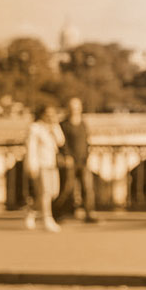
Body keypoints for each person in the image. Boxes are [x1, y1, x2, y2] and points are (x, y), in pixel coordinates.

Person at [24, 103, 65, 233]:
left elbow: (61, 141)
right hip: (41, 164)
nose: (50, 117)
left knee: (53, 192)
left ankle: (33, 212)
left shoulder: (52, 128)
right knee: (45, 192)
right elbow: (31, 148)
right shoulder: (35, 128)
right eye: (48, 114)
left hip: (52, 164)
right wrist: (32, 165)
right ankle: (48, 219)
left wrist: (55, 127)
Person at [59, 96, 98, 224]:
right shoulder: (63, 124)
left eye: (76, 107)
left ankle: (88, 212)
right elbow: (62, 143)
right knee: (67, 188)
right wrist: (66, 156)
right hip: (70, 161)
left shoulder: (83, 123)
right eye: (72, 107)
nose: (75, 110)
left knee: (87, 188)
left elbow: (86, 141)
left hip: (83, 161)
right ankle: (60, 212)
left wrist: (87, 155)